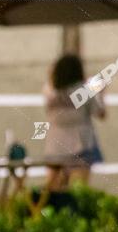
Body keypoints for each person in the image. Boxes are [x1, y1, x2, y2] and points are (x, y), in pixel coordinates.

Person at [42, 54, 106, 192]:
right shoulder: (84, 91)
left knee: (51, 194)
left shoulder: (49, 91)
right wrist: (101, 92)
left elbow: (50, 78)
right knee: (78, 193)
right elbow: (100, 113)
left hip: (55, 148)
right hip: (80, 147)